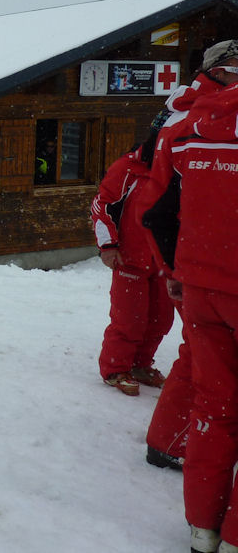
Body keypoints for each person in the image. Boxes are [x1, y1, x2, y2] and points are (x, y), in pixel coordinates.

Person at [135, 40, 238, 553]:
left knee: (212, 401)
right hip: (211, 274)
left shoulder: (184, 121)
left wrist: (174, 267)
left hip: (198, 277)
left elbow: (157, 205)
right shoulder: (187, 118)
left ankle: (203, 529)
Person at [91, 117, 175, 397]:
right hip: (129, 258)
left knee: (161, 319)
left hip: (164, 260)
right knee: (129, 318)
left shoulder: (176, 169)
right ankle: (116, 368)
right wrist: (108, 246)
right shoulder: (128, 168)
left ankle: (140, 364)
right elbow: (102, 206)